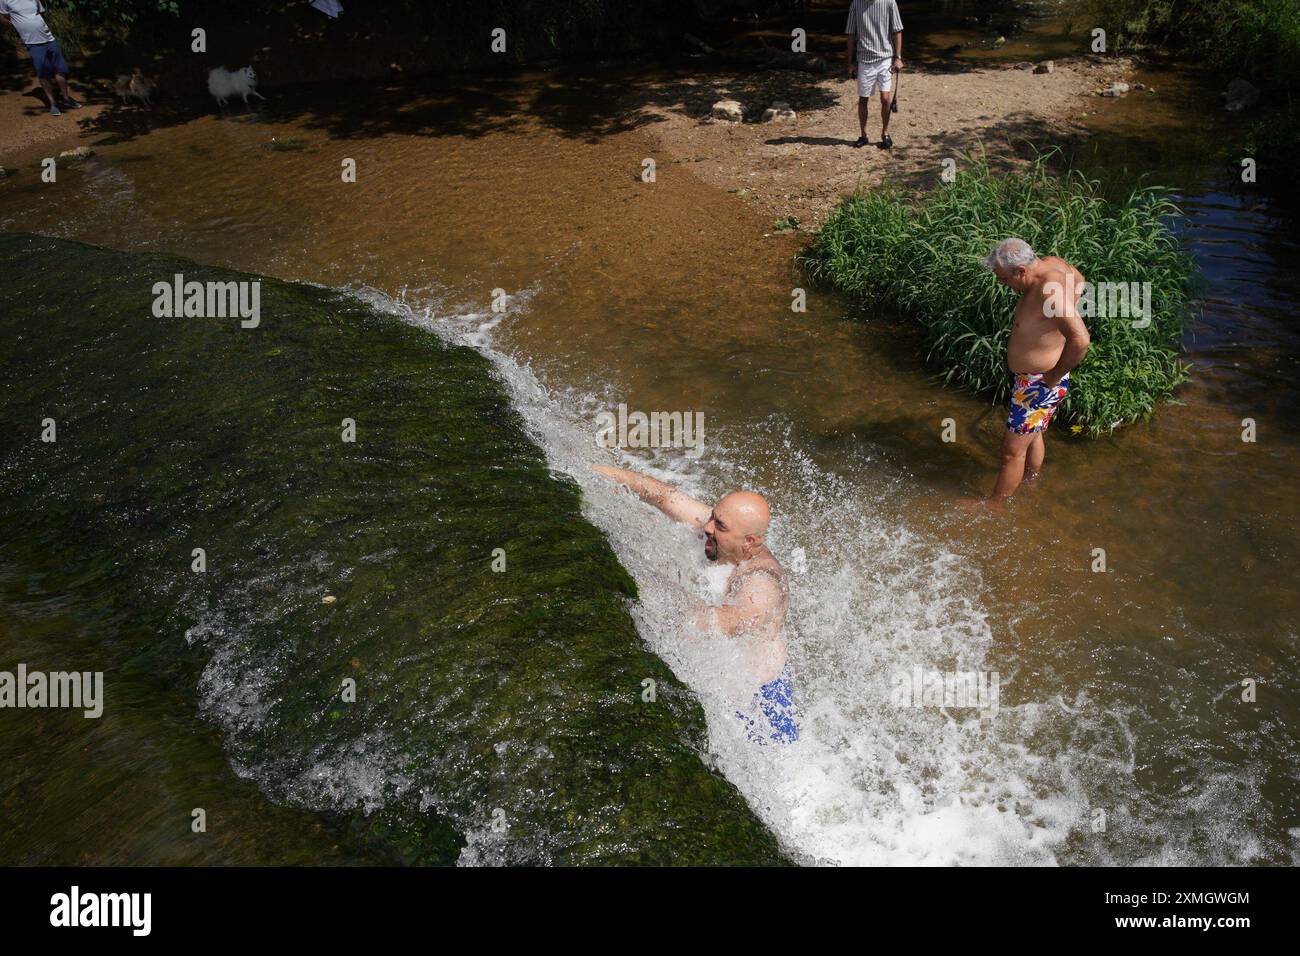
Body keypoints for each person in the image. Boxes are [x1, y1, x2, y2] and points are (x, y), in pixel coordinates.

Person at [590, 464, 797, 743]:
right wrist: (590, 471)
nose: (707, 527)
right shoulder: (718, 532)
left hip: (760, 700)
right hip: (728, 680)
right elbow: (664, 495)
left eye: (720, 526)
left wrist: (661, 605)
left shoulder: (761, 579)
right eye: (713, 516)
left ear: (749, 541)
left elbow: (742, 617)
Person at [980, 238, 1091, 499]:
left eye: (1004, 279)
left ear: (1021, 270)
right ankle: (1031, 483)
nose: (1002, 284)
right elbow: (1080, 280)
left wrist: (1052, 376)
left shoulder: (1048, 290)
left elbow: (1081, 339)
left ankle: (994, 508)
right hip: (1035, 381)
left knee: (1011, 451)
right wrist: (1063, 313)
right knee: (1035, 433)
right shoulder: (1055, 264)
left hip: (1039, 384)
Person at [0, 0, 81, 116]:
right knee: (44, 73)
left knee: (60, 69)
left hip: (49, 38)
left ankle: (66, 99)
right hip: (32, 42)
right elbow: (3, 17)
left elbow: (40, 13)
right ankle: (53, 103)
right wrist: (17, 25)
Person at [844, 0, 903, 149]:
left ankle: (885, 133)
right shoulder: (856, 4)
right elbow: (851, 34)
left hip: (885, 59)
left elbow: (897, 30)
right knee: (863, 99)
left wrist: (898, 57)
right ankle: (863, 135)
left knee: (886, 98)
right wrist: (850, 62)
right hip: (864, 60)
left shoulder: (890, 2)